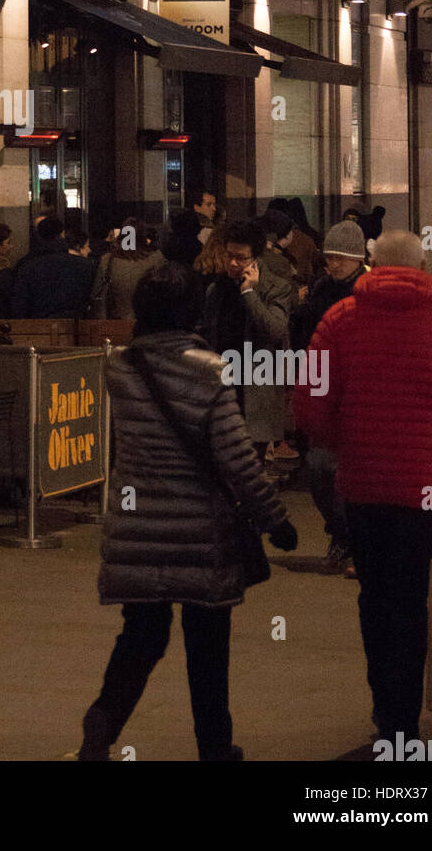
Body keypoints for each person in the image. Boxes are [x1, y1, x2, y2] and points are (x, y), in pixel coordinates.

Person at [77, 262, 297, 761]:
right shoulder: (211, 369)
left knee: (140, 638)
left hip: (138, 529)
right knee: (207, 653)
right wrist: (275, 519)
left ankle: (104, 720)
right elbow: (239, 460)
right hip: (200, 534)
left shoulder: (121, 366)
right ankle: (215, 751)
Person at [296, 231, 432, 747]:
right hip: (424, 491)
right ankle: (406, 725)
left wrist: (343, 439)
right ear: (424, 265)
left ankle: (387, 716)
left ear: (372, 264)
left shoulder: (340, 319)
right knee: (412, 599)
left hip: (363, 485)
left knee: (375, 600)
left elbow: (309, 403)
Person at [289, 221, 368, 574]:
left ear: (356, 258)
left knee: (354, 474)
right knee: (320, 469)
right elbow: (305, 336)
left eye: (340, 258)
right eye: (329, 258)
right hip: (324, 388)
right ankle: (341, 534)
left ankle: (355, 541)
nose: (333, 264)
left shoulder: (369, 289)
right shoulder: (322, 290)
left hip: (359, 395)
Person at [201, 221, 292, 463]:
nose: (232, 263)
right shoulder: (216, 289)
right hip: (222, 391)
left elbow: (274, 330)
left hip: (255, 393)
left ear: (255, 259)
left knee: (250, 468)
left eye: (241, 258)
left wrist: (249, 294)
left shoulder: (275, 287)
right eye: (229, 256)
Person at [9, 220, 96, 318]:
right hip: (75, 327)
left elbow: (19, 305)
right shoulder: (84, 265)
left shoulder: (26, 265)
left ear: (39, 236)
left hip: (37, 328)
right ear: (62, 234)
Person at [90, 218, 164, 320]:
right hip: (147, 322)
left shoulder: (108, 260)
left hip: (115, 322)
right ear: (143, 236)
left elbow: (96, 292)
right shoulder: (156, 259)